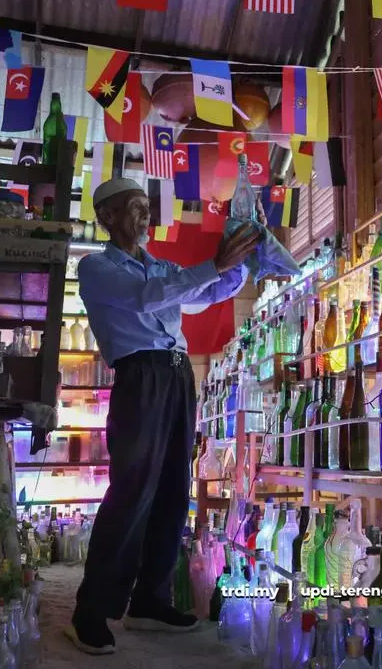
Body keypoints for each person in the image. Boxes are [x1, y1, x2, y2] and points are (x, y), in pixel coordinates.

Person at [65, 177, 260, 655]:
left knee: (174, 489)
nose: (144, 215)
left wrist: (239, 267)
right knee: (132, 490)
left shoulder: (161, 266)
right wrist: (214, 264)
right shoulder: (95, 267)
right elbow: (149, 297)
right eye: (132, 207)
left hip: (176, 377)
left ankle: (149, 601)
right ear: (107, 217)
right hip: (141, 377)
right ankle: (91, 608)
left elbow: (200, 295)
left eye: (145, 206)